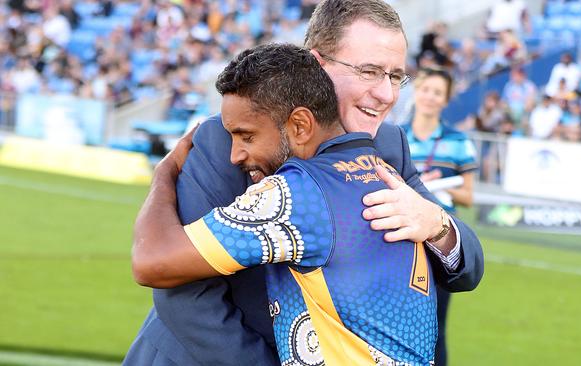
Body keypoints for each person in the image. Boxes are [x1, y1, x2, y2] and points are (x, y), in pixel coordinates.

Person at [123, 1, 484, 365]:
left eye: (395, 76)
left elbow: (467, 268)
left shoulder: (388, 146)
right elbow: (184, 292)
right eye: (370, 71)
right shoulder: (230, 139)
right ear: (317, 64)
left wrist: (438, 226)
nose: (387, 94)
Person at [401, 67, 478, 366]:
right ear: (416, 92)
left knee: (435, 328)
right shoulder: (396, 135)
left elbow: (469, 196)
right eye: (426, 90)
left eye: (437, 93)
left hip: (440, 241)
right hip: (402, 240)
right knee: (398, 320)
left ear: (445, 100)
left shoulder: (458, 141)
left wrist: (434, 187)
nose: (430, 97)